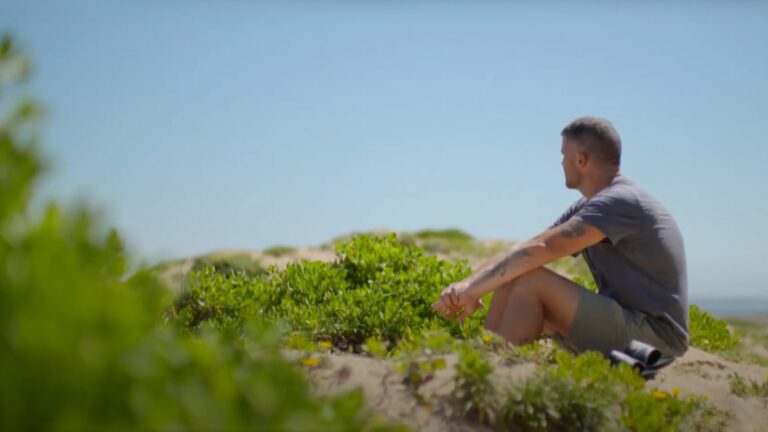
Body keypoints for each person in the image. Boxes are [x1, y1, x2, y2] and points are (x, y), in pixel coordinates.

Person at [432, 116, 688, 358]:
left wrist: (474, 291)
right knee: (513, 275)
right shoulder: (592, 204)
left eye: (563, 155)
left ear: (581, 160)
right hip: (628, 324)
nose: (561, 163)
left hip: (657, 339)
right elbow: (526, 248)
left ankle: (496, 375)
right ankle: (489, 366)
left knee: (528, 278)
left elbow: (543, 248)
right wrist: (468, 285)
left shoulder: (621, 201)